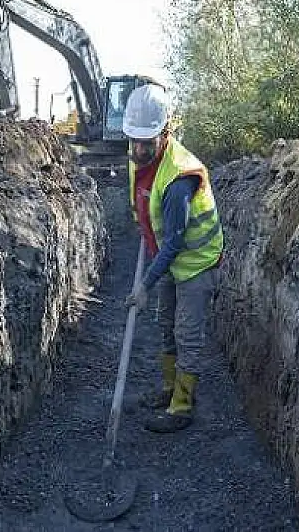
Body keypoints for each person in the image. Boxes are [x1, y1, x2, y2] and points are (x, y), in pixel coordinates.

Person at [122, 83, 224, 433]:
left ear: (164, 134)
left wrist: (144, 285)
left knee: (186, 332)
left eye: (145, 142)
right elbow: (143, 205)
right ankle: (168, 389)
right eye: (133, 140)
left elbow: (176, 241)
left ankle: (182, 406)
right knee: (165, 324)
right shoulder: (138, 155)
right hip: (167, 258)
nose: (137, 149)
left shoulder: (180, 178)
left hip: (195, 263)